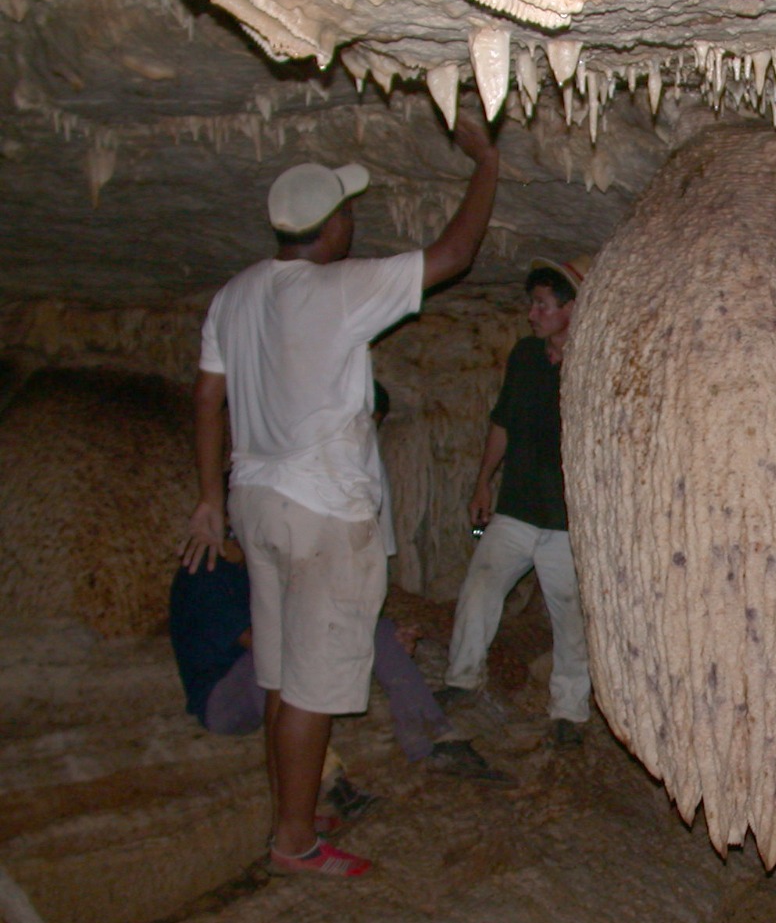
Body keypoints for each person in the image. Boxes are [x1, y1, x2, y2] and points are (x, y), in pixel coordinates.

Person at [181, 113, 500, 878]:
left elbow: (205, 399)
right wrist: (485, 161)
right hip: (325, 513)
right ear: (333, 229)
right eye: (349, 212)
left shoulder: (235, 294)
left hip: (255, 503)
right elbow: (455, 253)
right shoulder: (339, 288)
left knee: (283, 679)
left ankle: (289, 815)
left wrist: (207, 496)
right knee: (316, 687)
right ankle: (296, 843)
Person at [169, 531, 513, 790]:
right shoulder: (206, 571)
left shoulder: (257, 571)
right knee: (272, 659)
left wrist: (373, 641)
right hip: (224, 701)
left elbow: (318, 622)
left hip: (270, 681)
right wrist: (351, 646)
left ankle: (435, 740)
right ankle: (330, 782)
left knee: (376, 629)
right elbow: (263, 643)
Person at [436, 256, 591, 748]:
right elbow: (502, 422)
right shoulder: (525, 357)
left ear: (571, 309)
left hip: (569, 521)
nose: (532, 314)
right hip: (517, 506)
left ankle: (569, 710)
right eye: (533, 305)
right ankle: (461, 679)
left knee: (570, 616)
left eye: (542, 305)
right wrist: (484, 481)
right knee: (480, 587)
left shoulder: (594, 364)